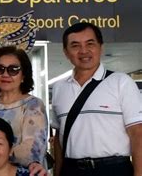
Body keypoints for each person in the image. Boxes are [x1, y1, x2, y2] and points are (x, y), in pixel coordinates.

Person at [51, 22, 142, 176]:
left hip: (113, 169)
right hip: (71, 169)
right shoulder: (59, 88)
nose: (84, 51)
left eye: (90, 43)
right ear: (66, 52)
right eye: (75, 46)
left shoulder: (121, 81)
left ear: (101, 47)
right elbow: (59, 139)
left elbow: (137, 134)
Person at [0, 46, 48, 174]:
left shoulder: (33, 105)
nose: (5, 74)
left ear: (23, 75)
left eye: (13, 70)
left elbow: (31, 151)